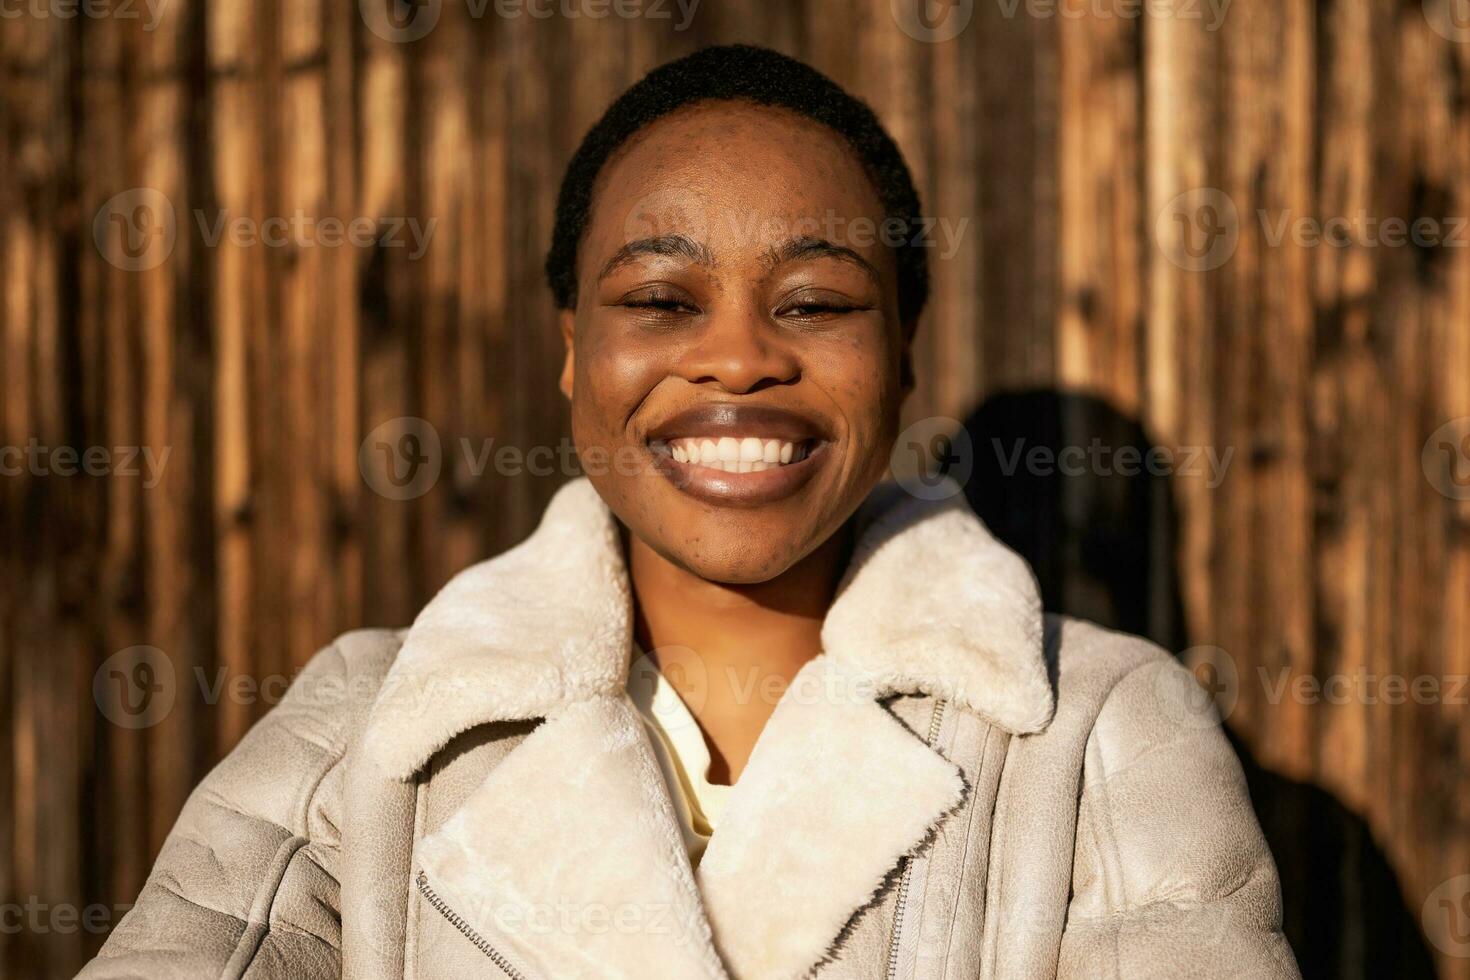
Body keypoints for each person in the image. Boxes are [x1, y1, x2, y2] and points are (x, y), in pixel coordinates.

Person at [80, 44, 1299, 980]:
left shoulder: (1099, 737)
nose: (737, 358)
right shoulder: (370, 728)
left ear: (905, 355)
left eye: (816, 302)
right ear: (572, 351)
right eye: (662, 298)